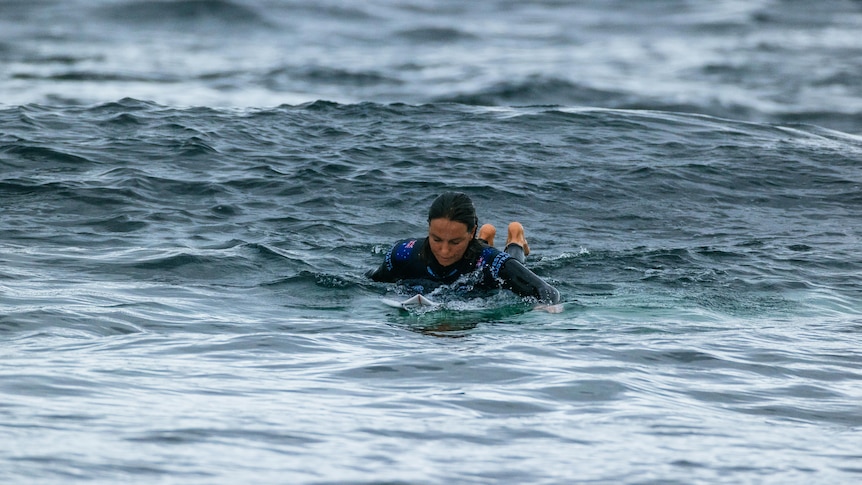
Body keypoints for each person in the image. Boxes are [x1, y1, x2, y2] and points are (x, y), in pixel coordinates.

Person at [367, 192, 561, 306]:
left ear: (471, 232)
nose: (444, 251)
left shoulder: (492, 262)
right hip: (475, 250)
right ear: (428, 227)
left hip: (486, 255)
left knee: (512, 265)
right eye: (436, 239)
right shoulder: (403, 253)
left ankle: (516, 235)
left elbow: (547, 292)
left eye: (455, 242)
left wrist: (543, 313)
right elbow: (372, 279)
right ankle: (485, 237)